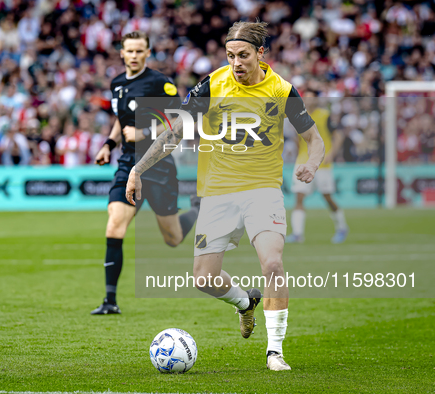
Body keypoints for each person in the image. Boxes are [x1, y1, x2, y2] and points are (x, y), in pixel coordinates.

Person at [125, 21, 325, 371]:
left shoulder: (282, 90)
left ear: (261, 54)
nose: (236, 63)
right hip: (218, 193)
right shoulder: (212, 85)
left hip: (263, 190)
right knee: (203, 278)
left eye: (243, 55)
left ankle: (274, 351)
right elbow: (175, 131)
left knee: (273, 264)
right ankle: (245, 304)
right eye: (231, 55)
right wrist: (137, 169)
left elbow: (315, 139)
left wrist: (311, 163)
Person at [91, 31, 200, 315]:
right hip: (128, 163)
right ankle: (110, 301)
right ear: (122, 53)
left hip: (158, 165)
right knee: (115, 224)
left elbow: (179, 122)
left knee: (173, 238)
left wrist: (144, 131)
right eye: (130, 51)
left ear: (147, 53)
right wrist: (108, 144)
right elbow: (120, 120)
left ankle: (198, 211)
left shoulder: (159, 83)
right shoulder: (116, 84)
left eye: (140, 51)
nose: (135, 55)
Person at [286, 90, 348, 244]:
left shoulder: (324, 115)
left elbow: (339, 135)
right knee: (299, 196)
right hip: (302, 161)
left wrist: (331, 153)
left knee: (327, 196)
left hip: (322, 163)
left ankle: (341, 227)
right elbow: (296, 138)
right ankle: (298, 234)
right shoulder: (297, 115)